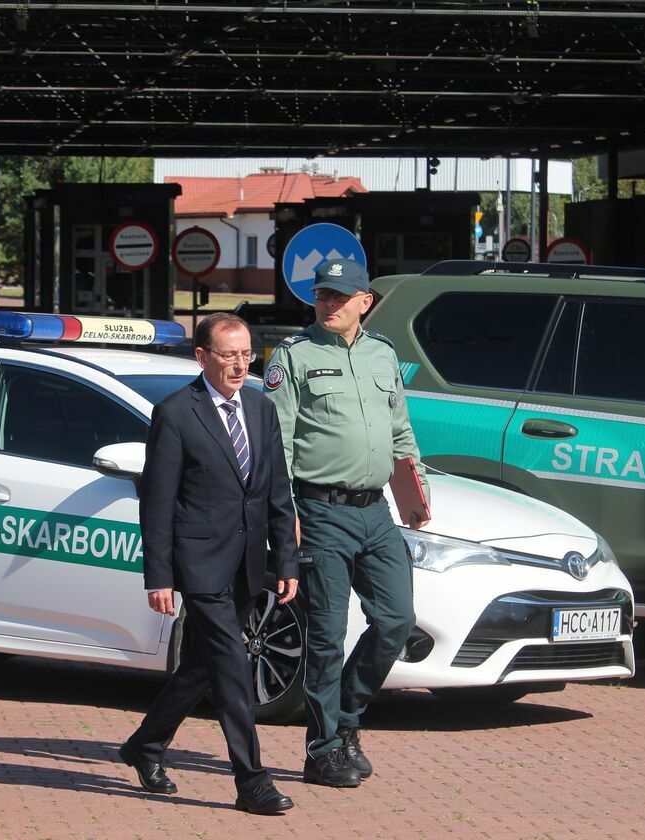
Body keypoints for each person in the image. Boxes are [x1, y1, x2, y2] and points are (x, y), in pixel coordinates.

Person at [119, 312, 298, 816]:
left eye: (246, 355)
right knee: (231, 665)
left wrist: (285, 559)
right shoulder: (176, 413)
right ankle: (251, 780)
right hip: (198, 564)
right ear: (202, 357)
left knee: (200, 667)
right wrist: (158, 576)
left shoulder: (262, 410)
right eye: (229, 355)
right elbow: (157, 501)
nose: (240, 365)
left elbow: (276, 491)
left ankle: (145, 745)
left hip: (246, 562)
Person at [264, 258, 430, 788]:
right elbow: (277, 445)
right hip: (319, 512)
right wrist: (282, 515)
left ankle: (346, 720)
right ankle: (323, 749)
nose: (329, 304)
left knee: (396, 621)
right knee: (327, 637)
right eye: (322, 296)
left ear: (365, 302)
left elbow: (400, 431)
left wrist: (415, 490)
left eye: (340, 296)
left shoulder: (383, 354)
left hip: (375, 512)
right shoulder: (292, 356)